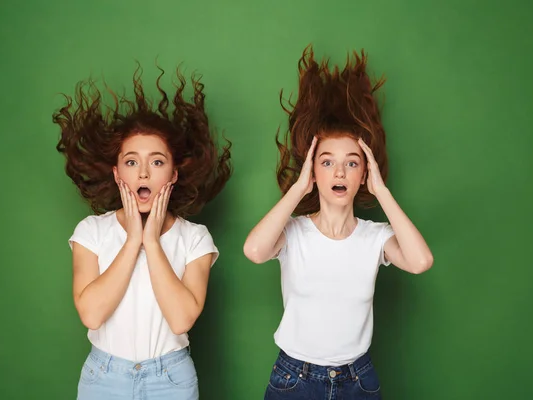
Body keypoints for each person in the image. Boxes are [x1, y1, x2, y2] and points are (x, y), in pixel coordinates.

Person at [243, 46, 434, 400]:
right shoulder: (294, 232)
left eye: (352, 163)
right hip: (293, 378)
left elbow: (421, 262)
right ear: (313, 172)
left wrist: (382, 192)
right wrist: (299, 188)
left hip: (357, 379)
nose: (340, 171)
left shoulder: (376, 238)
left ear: (364, 174)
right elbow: (254, 251)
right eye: (327, 162)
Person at [53, 66, 232, 400]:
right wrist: (133, 239)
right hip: (103, 378)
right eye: (132, 162)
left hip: (171, 379)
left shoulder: (195, 239)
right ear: (117, 171)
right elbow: (91, 314)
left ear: (174, 174)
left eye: (157, 162)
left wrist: (151, 241)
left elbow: (181, 320)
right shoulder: (91, 232)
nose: (144, 173)